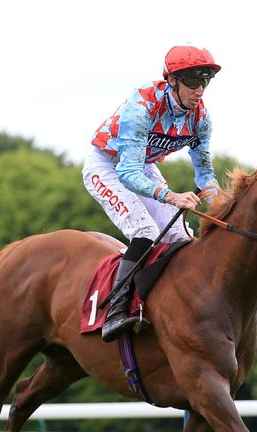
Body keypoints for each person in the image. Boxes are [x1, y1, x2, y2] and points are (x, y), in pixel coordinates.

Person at [82, 45, 222, 342]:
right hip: (108, 165)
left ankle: (165, 306)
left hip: (143, 167)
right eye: (194, 82)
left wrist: (224, 205)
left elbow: (205, 175)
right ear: (172, 81)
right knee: (145, 231)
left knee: (182, 238)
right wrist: (172, 196)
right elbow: (127, 172)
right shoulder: (143, 105)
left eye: (205, 82)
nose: (200, 91)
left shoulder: (201, 118)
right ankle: (115, 312)